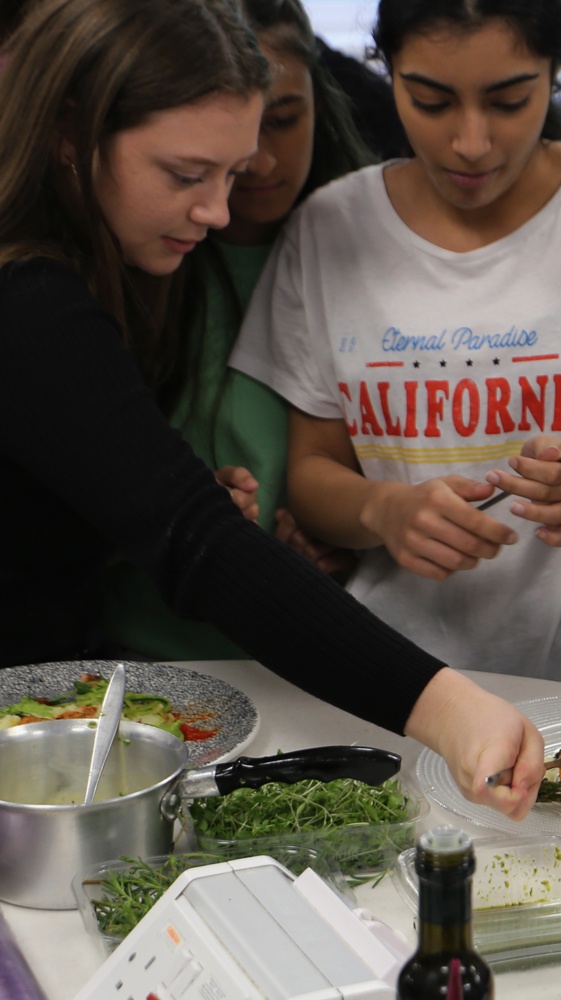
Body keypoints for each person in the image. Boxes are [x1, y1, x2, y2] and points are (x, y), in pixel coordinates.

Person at [0, 0, 542, 819]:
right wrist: (449, 710)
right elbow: (202, 547)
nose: (218, 211)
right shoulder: (29, 301)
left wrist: (132, 493)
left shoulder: (85, 268)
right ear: (70, 134)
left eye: (230, 173)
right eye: (186, 176)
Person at [231, 0, 561, 690]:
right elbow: (313, 472)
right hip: (395, 683)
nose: (470, 142)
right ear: (388, 74)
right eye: (431, 101)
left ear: (555, 72)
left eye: (508, 102)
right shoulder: (328, 228)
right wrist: (383, 510)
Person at [101, 0, 370, 660]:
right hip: (138, 656)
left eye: (285, 120)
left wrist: (351, 527)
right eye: (190, 170)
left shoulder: (368, 246)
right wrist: (175, 513)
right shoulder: (122, 268)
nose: (262, 163)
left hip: (314, 654)